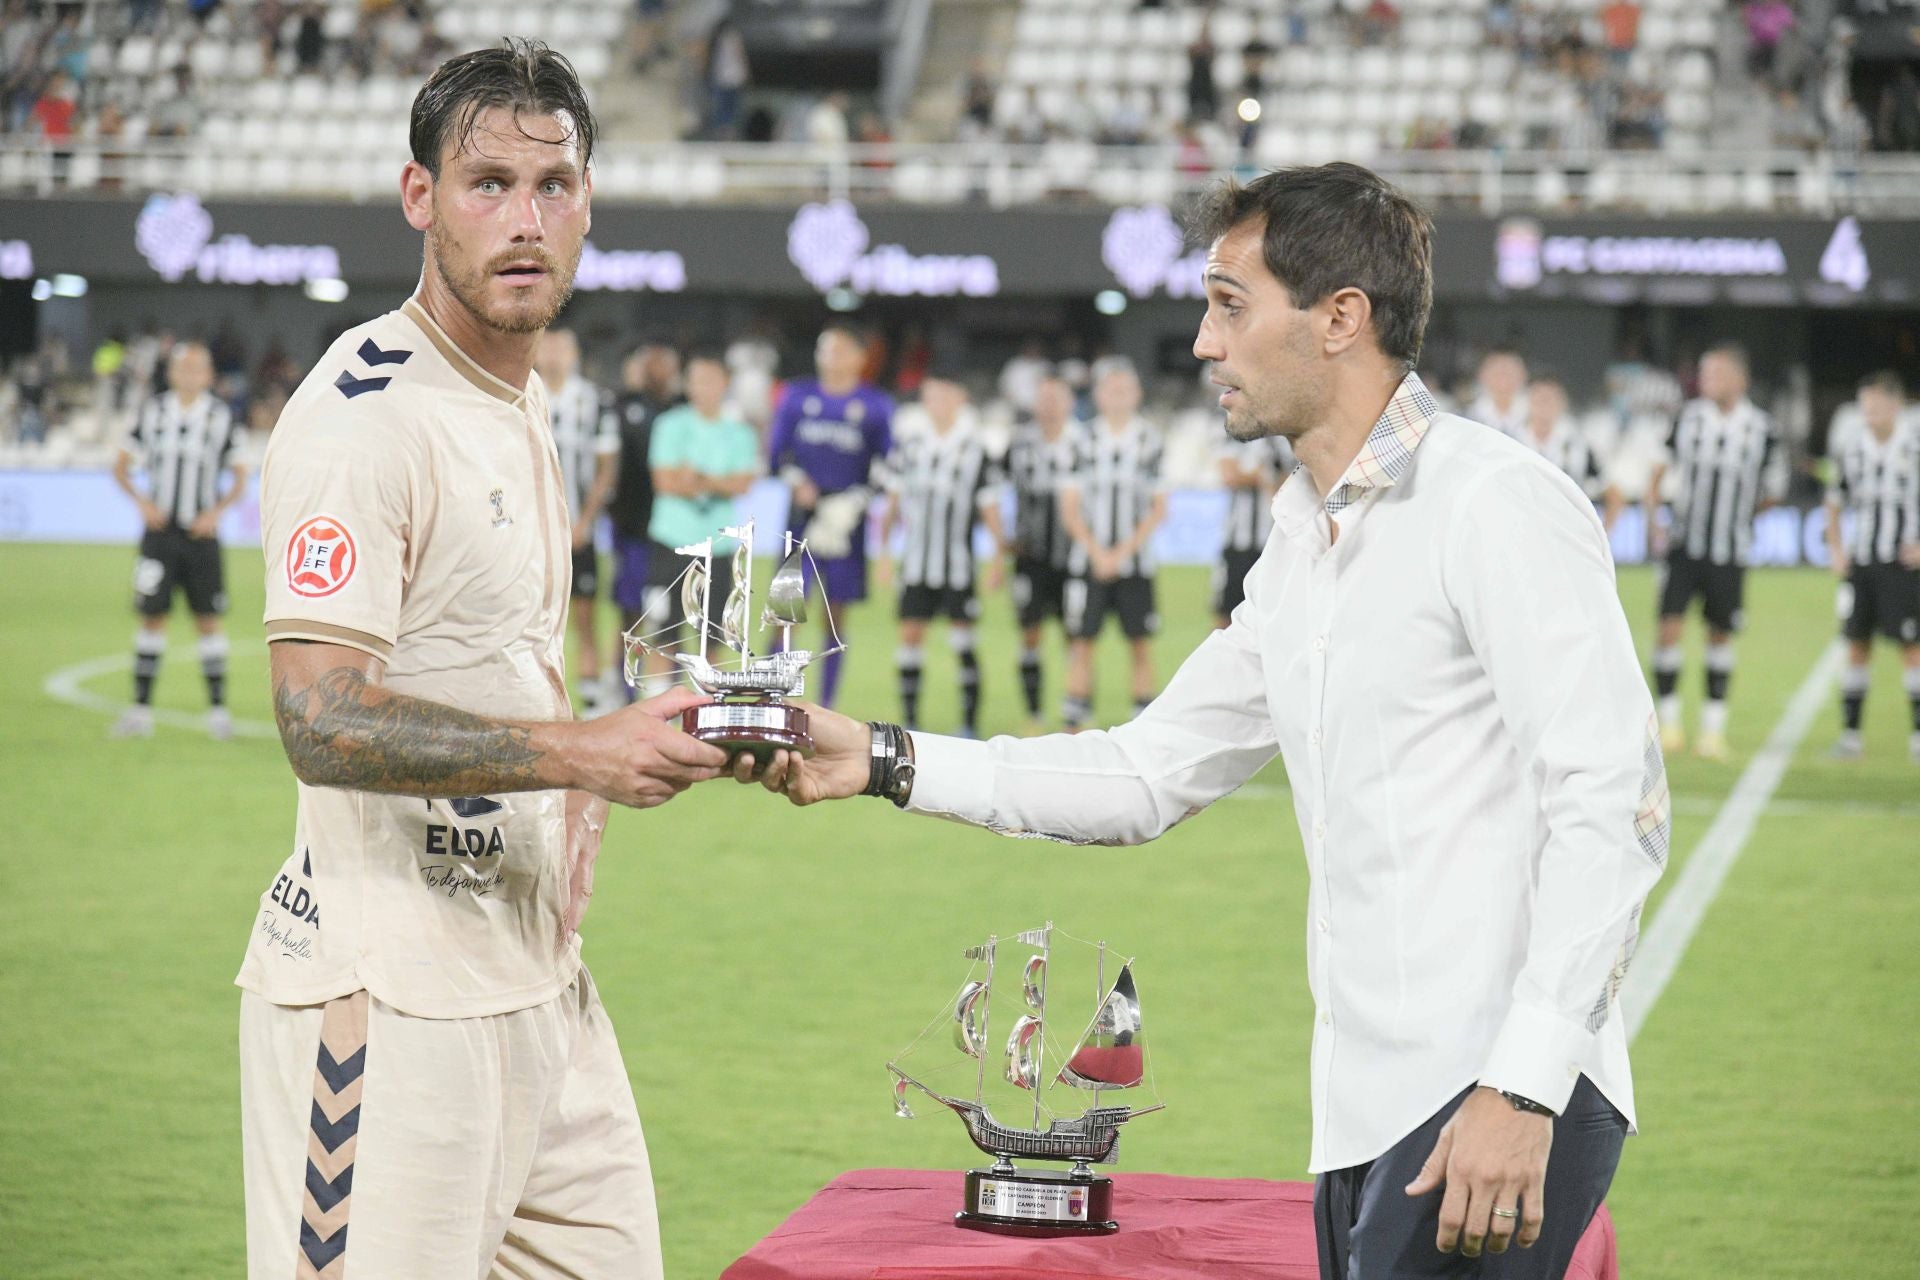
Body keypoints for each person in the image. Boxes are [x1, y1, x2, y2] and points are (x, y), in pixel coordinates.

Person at [747, 163, 1667, 1280]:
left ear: (1340, 320)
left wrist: (1525, 1083)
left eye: (1231, 303)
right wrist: (887, 757)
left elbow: (1612, 802)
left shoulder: (1492, 500)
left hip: (1491, 1094)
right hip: (1363, 1110)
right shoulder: (1299, 542)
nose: (1201, 341)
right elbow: (1145, 773)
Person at [238, 41, 728, 1280]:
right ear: (419, 198)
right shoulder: (364, 414)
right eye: (487, 183)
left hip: (535, 982)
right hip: (389, 1001)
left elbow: (491, 653)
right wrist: (580, 753)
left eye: (552, 187)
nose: (525, 220)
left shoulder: (519, 393)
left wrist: (580, 775)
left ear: (586, 206)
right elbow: (319, 716)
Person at [1644, 342, 1785, 760]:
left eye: (1717, 374)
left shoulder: (1762, 429)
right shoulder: (1688, 419)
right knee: (1668, 628)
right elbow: (1656, 471)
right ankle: (1669, 725)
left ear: (1739, 380)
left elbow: (1773, 490)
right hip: (1684, 545)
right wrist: (1655, 522)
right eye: (1705, 374)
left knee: (1719, 634)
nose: (1708, 382)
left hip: (1730, 551)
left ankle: (1712, 731)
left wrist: (1740, 519)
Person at [109, 341, 248, 740]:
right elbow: (120, 465)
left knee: (209, 619)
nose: (189, 375)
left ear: (208, 375)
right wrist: (142, 503)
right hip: (159, 536)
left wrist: (216, 512)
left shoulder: (220, 417)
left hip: (201, 538)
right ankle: (139, 711)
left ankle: (218, 712)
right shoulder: (153, 412)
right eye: (182, 368)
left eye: (197, 368)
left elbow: (239, 475)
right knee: (152, 616)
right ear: (171, 373)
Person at [767, 323, 895, 707]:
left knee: (835, 615)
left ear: (859, 358)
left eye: (840, 351)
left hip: (845, 525)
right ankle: (774, 697)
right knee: (784, 610)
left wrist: (856, 501)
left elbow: (888, 465)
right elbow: (776, 456)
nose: (831, 359)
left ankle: (825, 705)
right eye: (825, 350)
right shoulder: (796, 396)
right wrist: (796, 482)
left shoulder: (875, 406)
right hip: (801, 520)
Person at [877, 372, 1006, 736]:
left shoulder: (974, 449)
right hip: (916, 565)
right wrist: (885, 554)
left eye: (946, 396)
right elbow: (892, 504)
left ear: (960, 399)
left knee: (964, 641)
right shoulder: (911, 446)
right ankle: (911, 721)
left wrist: (998, 557)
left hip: (958, 567)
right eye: (932, 396)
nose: (939, 403)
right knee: (910, 639)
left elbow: (990, 508)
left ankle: (968, 724)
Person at [640, 353, 759, 685]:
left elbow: (743, 484)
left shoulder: (739, 433)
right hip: (671, 543)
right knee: (664, 637)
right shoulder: (670, 424)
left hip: (717, 548)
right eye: (696, 379)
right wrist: (718, 482)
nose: (703, 387)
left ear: (725, 383)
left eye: (710, 379)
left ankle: (705, 721)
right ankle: (659, 721)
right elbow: (664, 482)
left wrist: (697, 479)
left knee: (714, 642)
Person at [1058, 363, 1165, 731]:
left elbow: (1158, 509)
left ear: (1137, 395)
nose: (1118, 397)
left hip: (1135, 565)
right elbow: (1070, 508)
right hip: (1089, 563)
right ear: (1099, 396)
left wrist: (1120, 553)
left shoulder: (1150, 440)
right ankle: (1074, 725)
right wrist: (1097, 553)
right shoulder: (1082, 441)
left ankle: (1142, 726)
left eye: (1125, 389)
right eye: (1111, 389)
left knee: (1139, 643)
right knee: (1082, 643)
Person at [1823, 371, 1920, 762]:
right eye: (1865, 407)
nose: (1870, 414)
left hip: (1902, 565)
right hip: (1862, 564)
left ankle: (1917, 738)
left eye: (1877, 407)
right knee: (1857, 646)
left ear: (1896, 406)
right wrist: (1836, 550)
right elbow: (1834, 502)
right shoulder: (1853, 449)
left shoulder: (1915, 448)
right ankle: (1850, 737)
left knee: (1911, 648)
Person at [537, 327, 620, 715]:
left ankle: (590, 704)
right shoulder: (517, 390)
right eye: (547, 345)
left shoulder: (594, 401)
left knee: (585, 618)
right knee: (528, 621)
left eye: (562, 347)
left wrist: (584, 522)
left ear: (575, 354)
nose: (554, 355)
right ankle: (536, 701)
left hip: (576, 533)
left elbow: (606, 469)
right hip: (530, 534)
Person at [1006, 374, 1088, 730]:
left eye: (1057, 398)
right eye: (1044, 398)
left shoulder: (1084, 442)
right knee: (1030, 633)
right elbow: (992, 490)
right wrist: (1001, 543)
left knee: (1077, 634)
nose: (1050, 405)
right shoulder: (1019, 443)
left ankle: (1075, 713)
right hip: (1031, 557)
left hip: (1074, 558)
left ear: (1070, 403)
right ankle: (1034, 713)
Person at [607, 342, 679, 701]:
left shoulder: (682, 409)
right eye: (651, 361)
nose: (657, 368)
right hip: (632, 528)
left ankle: (672, 693)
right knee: (630, 613)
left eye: (663, 361)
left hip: (676, 532)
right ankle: (624, 692)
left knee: (675, 616)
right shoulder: (621, 405)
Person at [1214, 431, 1293, 629]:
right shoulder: (1236, 434)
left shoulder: (1282, 439)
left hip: (1273, 543)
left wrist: (1257, 476)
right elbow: (1229, 475)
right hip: (1237, 542)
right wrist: (1265, 476)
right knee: (1225, 615)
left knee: (1273, 615)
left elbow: (1294, 483)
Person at [1513, 372, 1603, 502]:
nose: (1545, 404)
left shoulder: (1579, 445)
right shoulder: (1511, 439)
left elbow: (1603, 487)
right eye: (1539, 398)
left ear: (1563, 402)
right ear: (1527, 401)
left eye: (1551, 398)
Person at [1466, 346, 1529, 437]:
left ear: (1523, 375)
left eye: (1509, 372)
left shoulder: (1537, 413)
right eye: (1496, 372)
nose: (1503, 377)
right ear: (1481, 375)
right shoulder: (1467, 415)